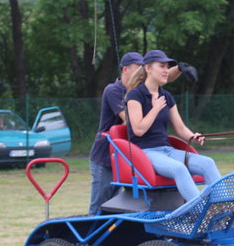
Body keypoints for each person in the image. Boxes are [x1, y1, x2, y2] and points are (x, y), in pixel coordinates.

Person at [87, 51, 197, 215]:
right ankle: (90, 237)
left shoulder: (142, 91)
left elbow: (159, 78)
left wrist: (179, 69)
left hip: (129, 156)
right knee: (100, 204)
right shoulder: (115, 90)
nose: (142, 71)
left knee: (120, 205)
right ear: (125, 69)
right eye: (139, 67)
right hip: (106, 157)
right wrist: (152, 109)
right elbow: (132, 122)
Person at [125, 49, 221, 202]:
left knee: (208, 163)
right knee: (179, 168)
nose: (166, 71)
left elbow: (181, 128)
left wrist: (193, 136)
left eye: (167, 67)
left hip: (167, 150)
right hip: (146, 152)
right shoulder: (135, 95)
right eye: (161, 66)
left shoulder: (167, 96)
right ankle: (200, 211)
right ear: (148, 69)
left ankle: (223, 209)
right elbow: (138, 130)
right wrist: (155, 108)